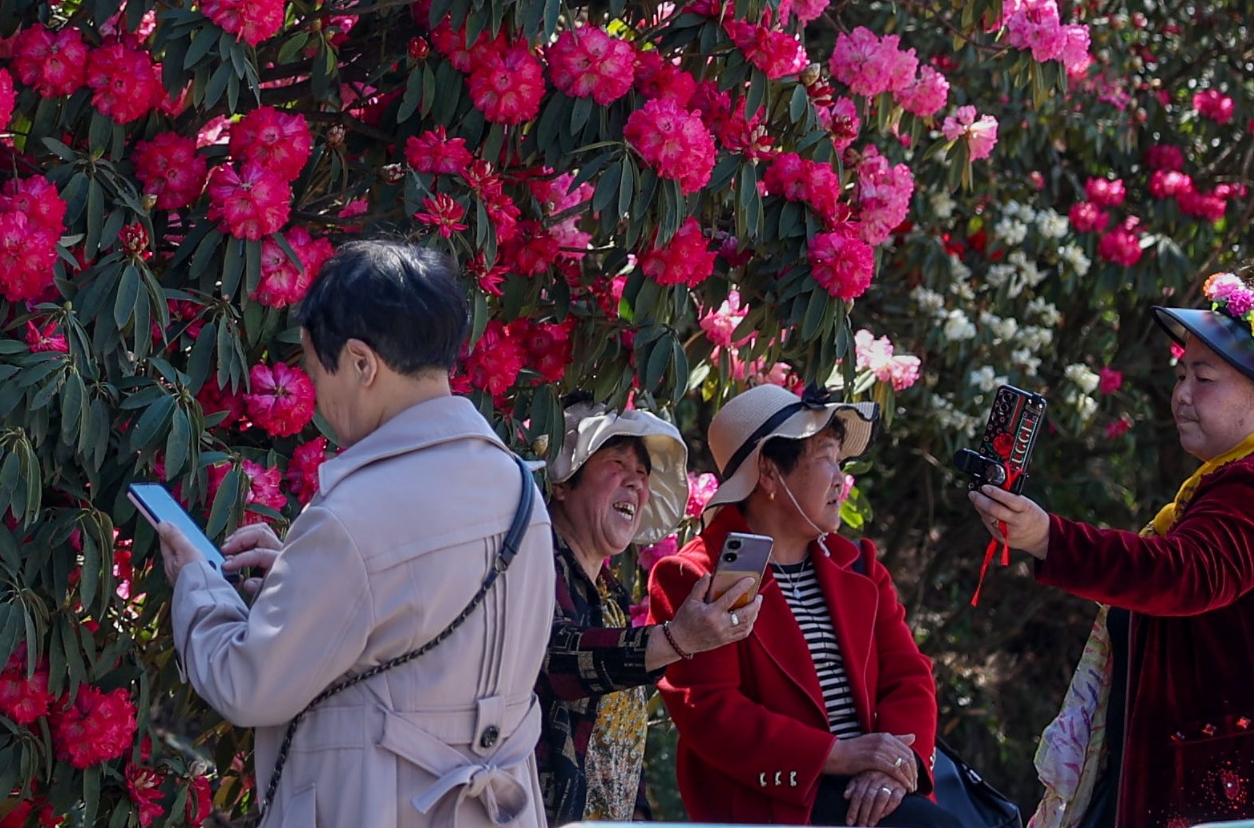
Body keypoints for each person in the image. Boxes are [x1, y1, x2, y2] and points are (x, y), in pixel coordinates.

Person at [975, 269, 1254, 828]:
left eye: (1204, 378)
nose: (1181, 395)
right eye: (1181, 375)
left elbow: (1185, 574)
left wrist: (1048, 538)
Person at [158, 238, 554, 828]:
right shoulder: (518, 488)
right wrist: (304, 574)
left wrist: (198, 582)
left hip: (381, 804)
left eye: (320, 371)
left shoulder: (355, 518)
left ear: (363, 364)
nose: (319, 397)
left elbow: (248, 684)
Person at [649, 383, 942, 828]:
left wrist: (893, 770)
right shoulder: (695, 577)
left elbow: (910, 677)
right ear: (769, 472)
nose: (841, 478)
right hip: (777, 803)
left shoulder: (859, 566)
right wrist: (837, 754)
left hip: (868, 794)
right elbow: (711, 711)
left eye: (840, 461)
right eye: (826, 457)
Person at [538, 402, 762, 822]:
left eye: (643, 474)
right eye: (618, 463)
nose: (636, 484)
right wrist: (676, 639)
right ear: (564, 483)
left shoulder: (612, 597)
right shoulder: (535, 562)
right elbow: (555, 658)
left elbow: (621, 750)